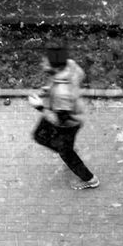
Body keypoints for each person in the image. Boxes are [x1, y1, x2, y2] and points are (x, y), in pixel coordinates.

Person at [29, 45, 99, 190]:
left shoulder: (62, 94)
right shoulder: (70, 65)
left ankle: (90, 180)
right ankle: (67, 149)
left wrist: (39, 106)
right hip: (69, 109)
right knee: (39, 136)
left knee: (64, 152)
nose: (42, 64)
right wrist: (51, 89)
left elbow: (60, 120)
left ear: (55, 67)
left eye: (45, 62)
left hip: (67, 122)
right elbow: (78, 77)